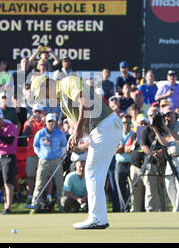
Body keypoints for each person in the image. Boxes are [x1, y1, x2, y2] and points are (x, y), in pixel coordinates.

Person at [31, 75, 122, 229]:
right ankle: (100, 217)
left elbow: (85, 103)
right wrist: (74, 137)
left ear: (47, 84)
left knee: (92, 172)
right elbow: (81, 125)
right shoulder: (62, 105)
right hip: (103, 128)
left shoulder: (67, 82)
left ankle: (97, 218)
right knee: (95, 173)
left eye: (44, 94)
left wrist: (78, 132)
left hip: (105, 125)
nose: (46, 98)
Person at [152, 105, 179, 212]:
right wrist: (156, 130)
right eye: (166, 115)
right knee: (169, 184)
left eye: (170, 114)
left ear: (174, 114)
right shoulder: (165, 127)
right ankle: (177, 207)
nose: (168, 117)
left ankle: (178, 208)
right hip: (171, 158)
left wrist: (166, 128)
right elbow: (164, 142)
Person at [31, 113, 67, 213]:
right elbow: (36, 146)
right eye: (49, 121)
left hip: (56, 161)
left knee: (59, 184)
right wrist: (40, 155)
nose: (50, 123)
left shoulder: (60, 134)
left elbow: (64, 147)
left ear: (55, 122)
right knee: (39, 184)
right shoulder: (40, 133)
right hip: (44, 161)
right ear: (45, 122)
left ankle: (62, 206)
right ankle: (34, 206)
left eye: (52, 121)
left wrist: (59, 155)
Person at [140, 107, 169, 212]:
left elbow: (167, 143)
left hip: (164, 163)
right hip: (150, 163)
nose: (153, 117)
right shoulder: (145, 130)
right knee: (151, 190)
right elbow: (143, 146)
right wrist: (152, 153)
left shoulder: (163, 128)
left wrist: (162, 152)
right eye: (151, 115)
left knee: (164, 190)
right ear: (148, 117)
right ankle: (151, 211)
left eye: (155, 115)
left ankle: (165, 209)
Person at [0, 109, 18, 215]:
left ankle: (8, 207)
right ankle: (5, 205)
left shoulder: (10, 126)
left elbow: (9, 141)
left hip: (9, 156)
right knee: (1, 183)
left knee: (8, 182)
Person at [22, 103, 46, 202]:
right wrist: (30, 124)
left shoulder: (46, 122)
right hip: (31, 153)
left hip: (44, 153)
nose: (37, 114)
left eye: (39, 112)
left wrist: (44, 122)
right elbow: (24, 136)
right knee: (31, 176)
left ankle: (44, 197)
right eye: (35, 111)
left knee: (45, 176)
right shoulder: (28, 122)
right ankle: (30, 196)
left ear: (42, 112)